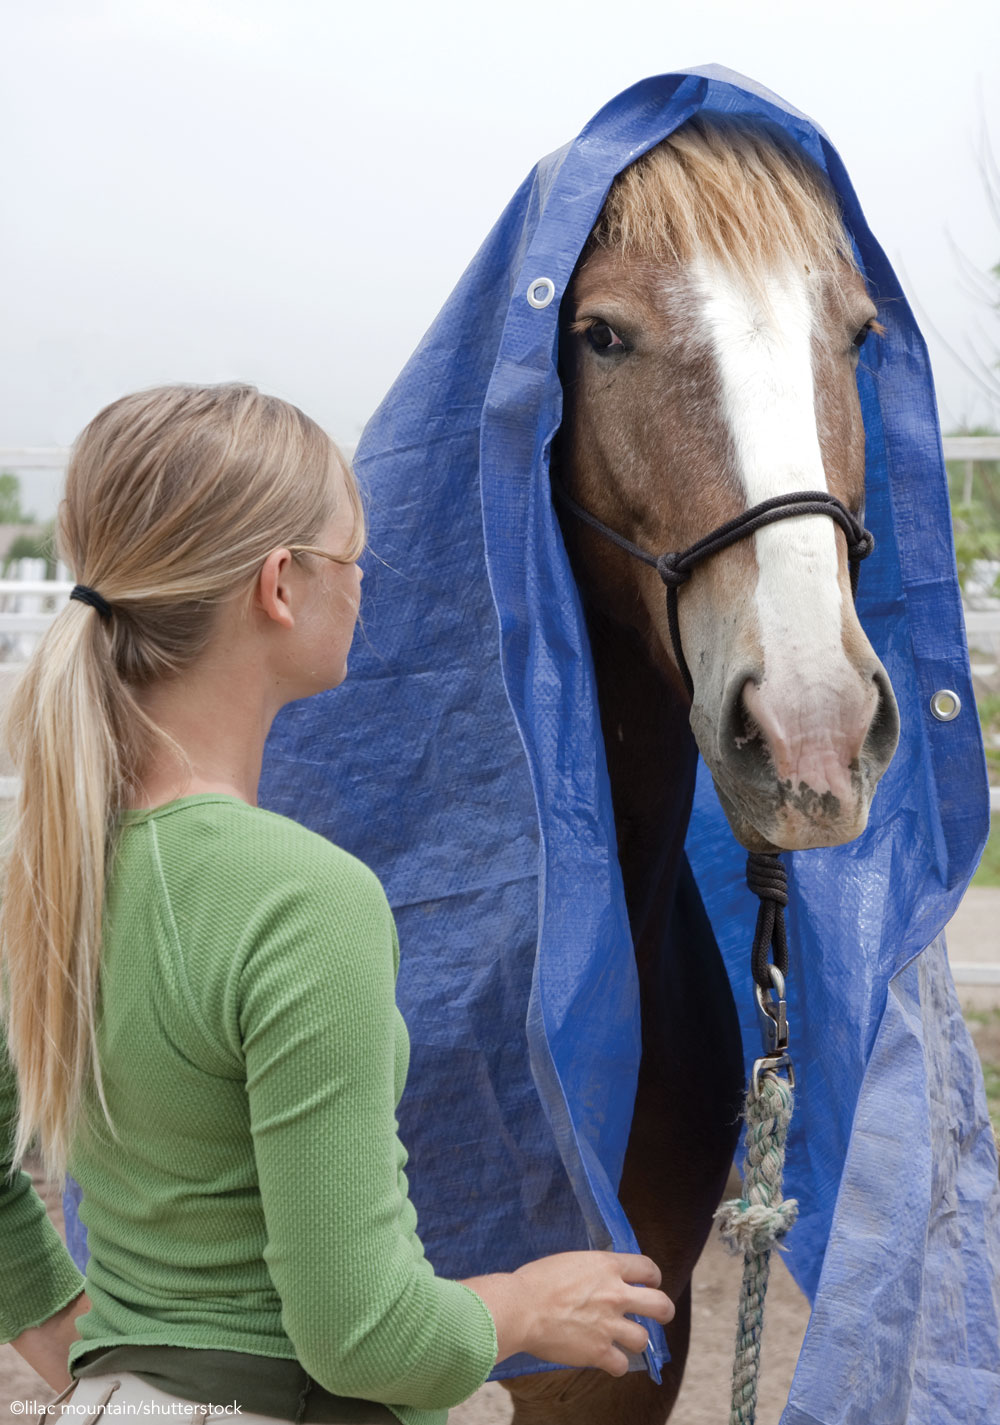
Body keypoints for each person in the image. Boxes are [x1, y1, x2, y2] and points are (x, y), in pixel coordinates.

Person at [0, 383, 673, 1424]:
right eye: (353, 560)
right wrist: (527, 1303)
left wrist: (108, 1371)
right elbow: (364, 1337)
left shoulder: (45, 866)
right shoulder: (303, 899)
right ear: (281, 585)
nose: (363, 590)